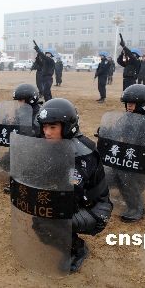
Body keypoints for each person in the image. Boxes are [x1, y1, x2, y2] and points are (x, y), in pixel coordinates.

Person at [35, 98, 112, 272]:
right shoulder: (54, 144)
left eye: (52, 127)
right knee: (40, 221)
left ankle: (78, 249)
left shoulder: (81, 153)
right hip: (72, 200)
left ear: (68, 127)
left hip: (94, 208)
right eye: (44, 126)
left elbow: (73, 192)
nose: (47, 132)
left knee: (51, 219)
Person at [106, 84, 145, 222]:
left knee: (126, 174)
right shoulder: (128, 117)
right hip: (128, 157)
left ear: (144, 104)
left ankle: (136, 208)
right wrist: (105, 132)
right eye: (127, 103)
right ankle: (141, 183)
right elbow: (115, 131)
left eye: (132, 103)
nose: (128, 106)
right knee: (104, 175)